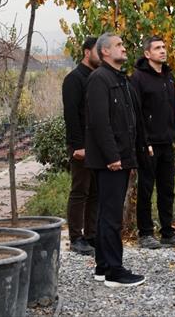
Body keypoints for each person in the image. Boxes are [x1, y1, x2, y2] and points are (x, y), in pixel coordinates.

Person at [84, 33, 147, 287]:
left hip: (121, 157)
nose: (124, 47)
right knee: (111, 216)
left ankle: (102, 266)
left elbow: (128, 119)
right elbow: (100, 121)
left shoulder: (119, 79)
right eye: (119, 45)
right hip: (111, 160)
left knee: (106, 214)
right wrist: (113, 156)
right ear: (105, 52)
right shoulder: (100, 79)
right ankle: (114, 272)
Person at [131, 36, 175, 249]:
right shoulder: (138, 78)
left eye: (164, 47)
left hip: (167, 143)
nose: (163, 51)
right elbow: (137, 113)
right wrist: (144, 141)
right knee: (146, 190)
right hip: (148, 146)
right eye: (157, 48)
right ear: (147, 54)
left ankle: (168, 232)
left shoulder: (168, 76)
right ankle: (145, 233)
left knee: (167, 190)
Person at [61, 36, 100, 255]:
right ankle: (76, 237)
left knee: (96, 191)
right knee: (80, 190)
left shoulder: (98, 77)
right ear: (87, 52)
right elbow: (71, 115)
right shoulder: (74, 79)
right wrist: (77, 145)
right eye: (97, 50)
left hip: (97, 145)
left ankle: (91, 235)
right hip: (81, 145)